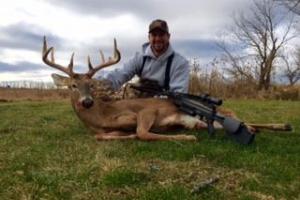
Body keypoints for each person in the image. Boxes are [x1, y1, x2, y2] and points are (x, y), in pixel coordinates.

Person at [98, 19, 190, 94]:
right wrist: (98, 84)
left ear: (168, 36)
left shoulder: (180, 63)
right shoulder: (140, 58)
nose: (157, 39)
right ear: (149, 37)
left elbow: (179, 95)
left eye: (161, 35)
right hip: (141, 104)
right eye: (154, 35)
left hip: (165, 107)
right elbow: (120, 74)